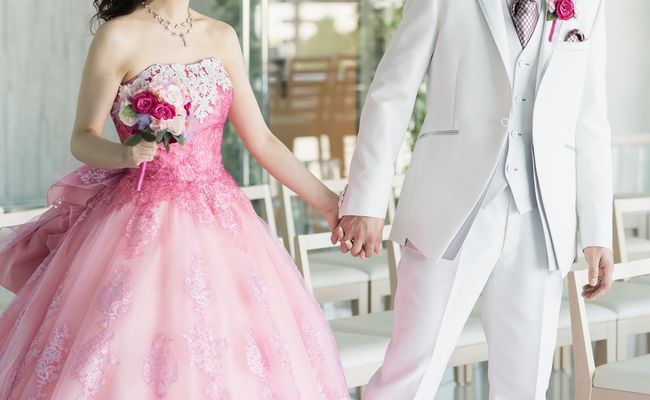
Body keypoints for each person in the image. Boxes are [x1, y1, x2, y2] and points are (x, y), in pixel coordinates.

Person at [0, 1, 350, 398]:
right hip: (138, 220)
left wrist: (329, 202)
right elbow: (82, 138)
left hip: (220, 219)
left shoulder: (221, 35)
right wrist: (125, 154)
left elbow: (263, 140)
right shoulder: (119, 35)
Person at [334, 0, 614, 398]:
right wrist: (366, 200)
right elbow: (393, 92)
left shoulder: (590, 5)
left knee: (526, 384)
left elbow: (591, 120)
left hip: (543, 216)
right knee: (411, 372)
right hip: (448, 210)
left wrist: (597, 231)